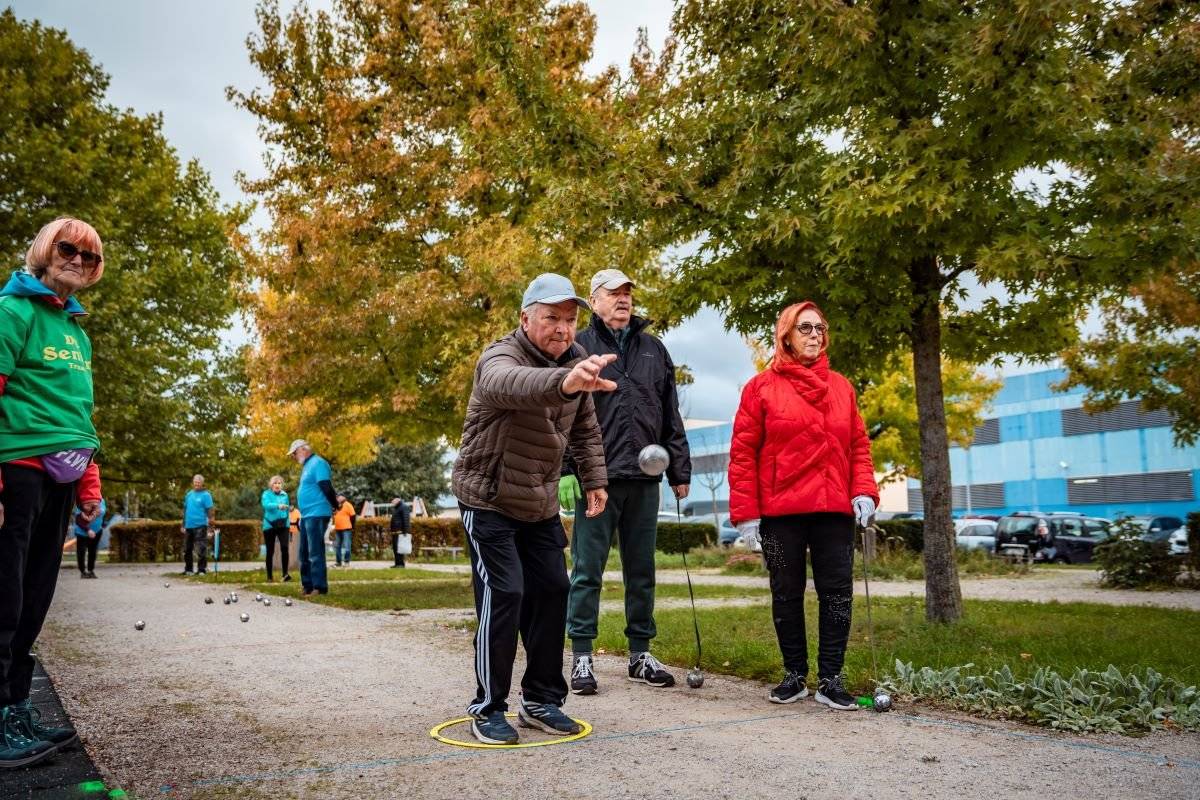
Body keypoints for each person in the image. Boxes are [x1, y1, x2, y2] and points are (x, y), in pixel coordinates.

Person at [451, 272, 611, 745]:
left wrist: (594, 479)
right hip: (488, 497)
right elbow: (509, 384)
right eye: (551, 318)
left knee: (553, 590)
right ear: (526, 318)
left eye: (569, 319)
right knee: (506, 594)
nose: (563, 328)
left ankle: (541, 700)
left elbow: (585, 428)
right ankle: (487, 707)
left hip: (537, 501)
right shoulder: (499, 356)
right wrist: (564, 381)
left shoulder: (579, 361)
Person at [728, 301, 879, 711]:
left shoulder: (842, 387)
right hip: (780, 514)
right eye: (805, 327)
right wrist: (746, 514)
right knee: (785, 592)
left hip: (833, 509)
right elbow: (743, 453)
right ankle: (794, 674)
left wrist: (864, 489)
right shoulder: (759, 388)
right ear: (786, 335)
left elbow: (858, 445)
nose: (815, 335)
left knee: (838, 594)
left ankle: (831, 679)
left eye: (820, 328)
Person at [0, 217, 106, 767]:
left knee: (36, 593)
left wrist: (90, 484)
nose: (78, 261)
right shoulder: (11, 312)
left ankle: (15, 704)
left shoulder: (75, 330)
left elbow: (76, 414)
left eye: (90, 257)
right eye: (69, 249)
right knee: (5, 595)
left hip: (61, 476)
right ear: (44, 251)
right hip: (16, 469)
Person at [565, 268, 692, 694]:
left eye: (627, 294)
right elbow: (561, 414)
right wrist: (569, 472)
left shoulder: (654, 349)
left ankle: (640, 653)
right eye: (613, 293)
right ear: (593, 300)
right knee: (587, 570)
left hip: (644, 477)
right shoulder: (577, 346)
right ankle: (581, 655)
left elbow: (669, 411)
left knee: (642, 569)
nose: (623, 300)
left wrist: (680, 470)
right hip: (595, 477)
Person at [289, 439, 338, 596]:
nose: (294, 457)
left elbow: (326, 486)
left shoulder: (318, 463)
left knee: (314, 551)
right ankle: (307, 585)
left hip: (317, 513)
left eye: (294, 454)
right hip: (307, 514)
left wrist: (335, 505)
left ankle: (319, 587)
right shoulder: (307, 466)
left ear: (303, 449)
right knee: (303, 552)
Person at [180, 474, 214, 575]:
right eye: (195, 482)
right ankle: (188, 569)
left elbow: (210, 511)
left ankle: (201, 570)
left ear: (202, 483)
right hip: (189, 525)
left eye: (199, 483)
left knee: (201, 549)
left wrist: (211, 527)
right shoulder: (189, 494)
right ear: (193, 483)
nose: (197, 484)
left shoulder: (206, 495)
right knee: (187, 549)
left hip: (201, 525)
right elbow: (185, 510)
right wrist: (183, 524)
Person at [261, 475, 291, 582]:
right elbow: (266, 505)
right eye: (275, 483)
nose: (277, 485)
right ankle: (269, 576)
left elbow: (287, 509)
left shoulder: (285, 495)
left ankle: (285, 574)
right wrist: (278, 505)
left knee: (285, 547)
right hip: (269, 525)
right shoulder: (266, 494)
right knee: (270, 551)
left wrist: (288, 521)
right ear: (271, 485)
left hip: (283, 525)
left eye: (279, 483)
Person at [73, 497, 106, 579]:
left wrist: (101, 526)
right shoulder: (83, 500)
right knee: (81, 552)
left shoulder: (102, 501)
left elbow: (102, 514)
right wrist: (88, 530)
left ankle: (91, 571)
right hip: (82, 532)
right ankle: (83, 572)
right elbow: (78, 519)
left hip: (97, 531)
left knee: (93, 551)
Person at [332, 494, 356, 566]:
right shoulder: (336, 506)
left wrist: (352, 526)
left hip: (346, 528)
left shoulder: (348, 505)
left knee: (347, 545)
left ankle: (346, 561)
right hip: (338, 528)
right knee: (337, 546)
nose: (337, 498)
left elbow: (353, 516)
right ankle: (338, 562)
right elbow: (334, 515)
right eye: (337, 497)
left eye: (338, 497)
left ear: (343, 497)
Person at [389, 497, 411, 568]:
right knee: (396, 549)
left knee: (400, 548)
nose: (392, 503)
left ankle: (401, 564)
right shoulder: (397, 508)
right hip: (395, 532)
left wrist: (405, 531)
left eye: (393, 502)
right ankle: (397, 563)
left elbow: (406, 519)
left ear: (397, 500)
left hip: (400, 532)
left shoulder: (404, 507)